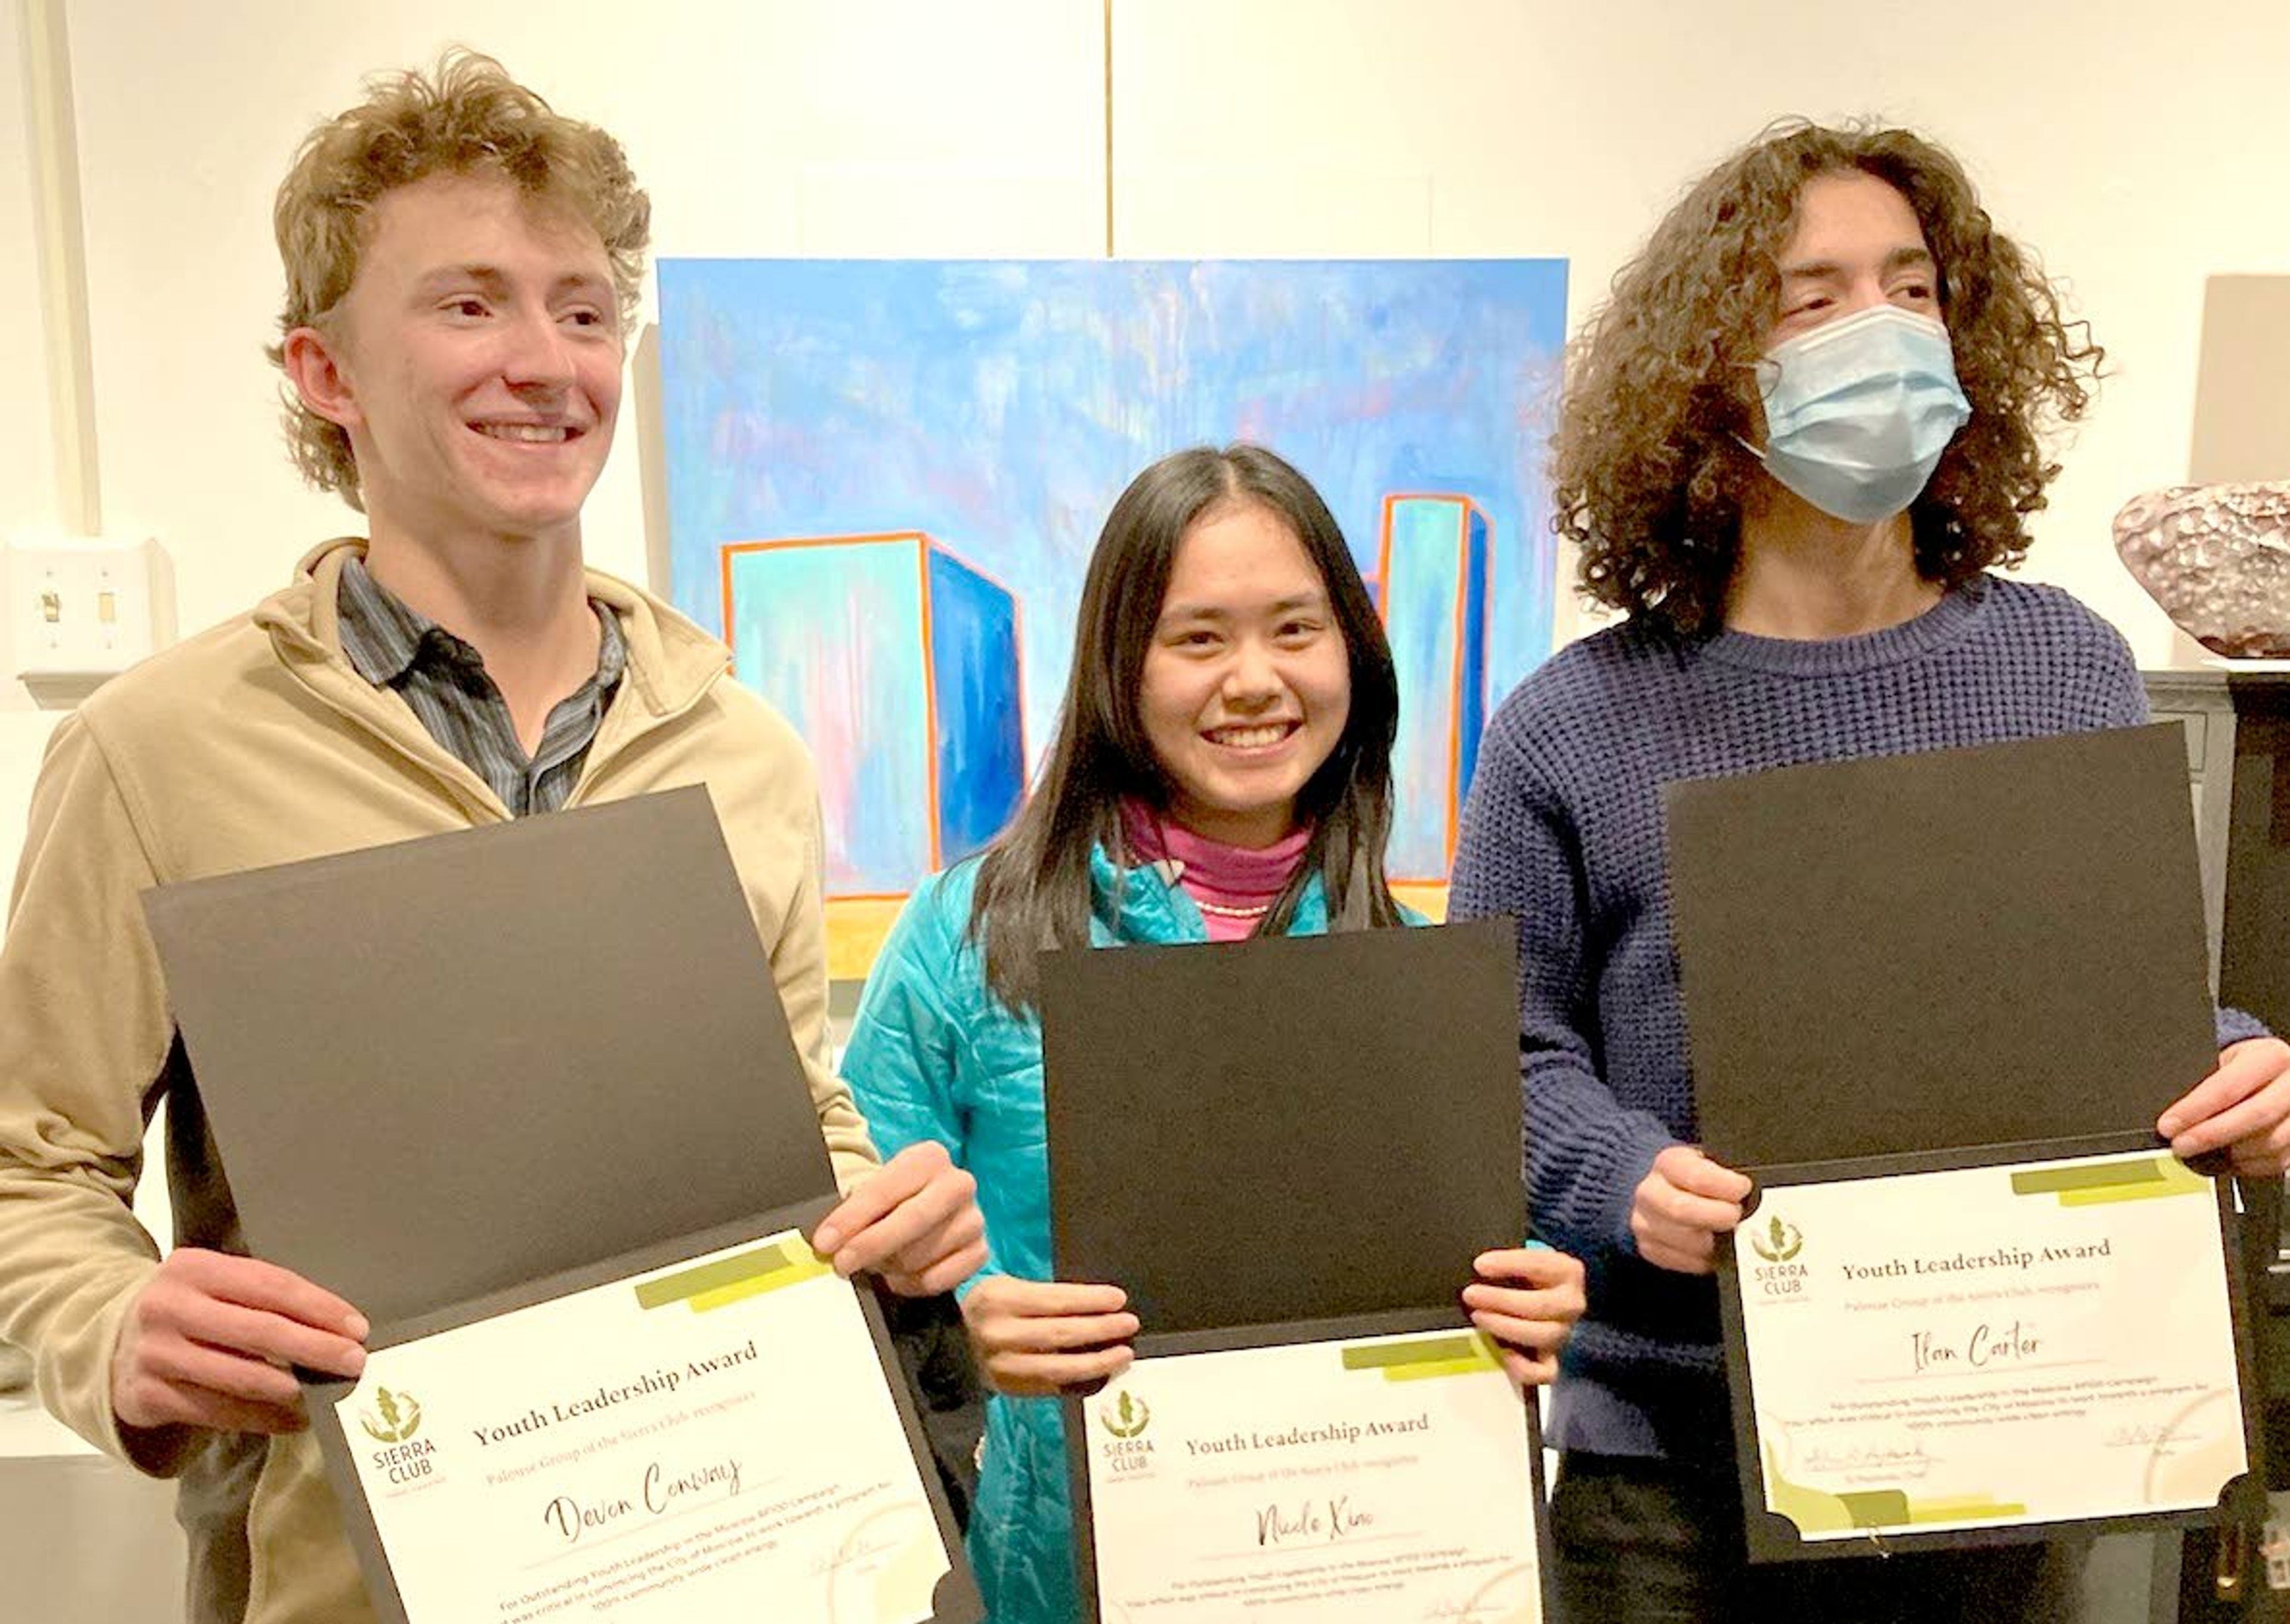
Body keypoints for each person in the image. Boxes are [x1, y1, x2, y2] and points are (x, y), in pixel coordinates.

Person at [0, 52, 984, 1624]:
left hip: (721, 1561)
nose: (546, 362)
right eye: (467, 305)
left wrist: (882, 1206)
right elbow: (28, 1165)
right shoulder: (158, 752)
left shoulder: (743, 750)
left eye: (584, 309)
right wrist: (114, 1323)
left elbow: (788, 1113)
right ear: (324, 372)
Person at [1447, 118, 2290, 1622]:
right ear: (1710, 372)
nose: (1881, 330)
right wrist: (1620, 1174)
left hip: (2012, 1429)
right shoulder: (1571, 722)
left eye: (1912, 288)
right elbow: (1495, 1056)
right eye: (1814, 298)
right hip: (1674, 1473)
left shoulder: (2065, 666)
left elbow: (2118, 999)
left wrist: (2233, 1071)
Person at [841, 442, 1589, 1623]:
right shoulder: (966, 936)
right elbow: (855, 1248)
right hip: (1056, 1587)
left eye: (1296, 630)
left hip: (1365, 1572)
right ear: (1120, 669)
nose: (1254, 680)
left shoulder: (1418, 966)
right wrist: (963, 1318)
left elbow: (1503, 1257)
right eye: (1199, 638)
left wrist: (1539, 1304)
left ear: (1355, 652)